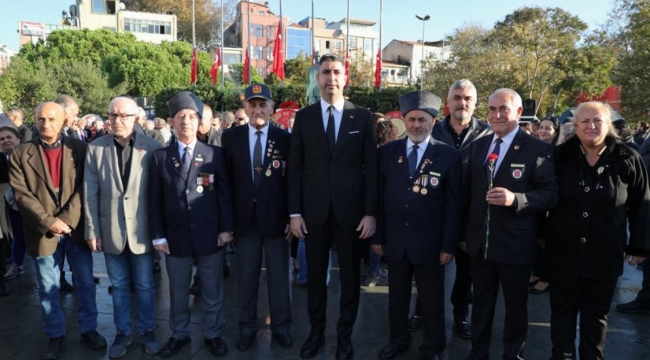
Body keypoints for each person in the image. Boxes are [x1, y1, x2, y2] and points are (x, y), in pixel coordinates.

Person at [289, 53, 378, 360]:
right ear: (318, 78)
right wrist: (295, 213)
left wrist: (370, 212)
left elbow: (371, 169)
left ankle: (344, 336)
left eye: (337, 72)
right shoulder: (304, 117)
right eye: (325, 72)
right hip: (312, 214)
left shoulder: (362, 116)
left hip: (351, 215)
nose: (331, 78)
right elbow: (295, 169)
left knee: (350, 278)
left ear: (345, 77)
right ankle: (315, 333)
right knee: (315, 278)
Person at [545, 101, 650, 360]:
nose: (591, 126)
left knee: (595, 317)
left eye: (597, 121)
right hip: (563, 252)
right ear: (575, 127)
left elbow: (642, 205)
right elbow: (544, 199)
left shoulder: (628, 158)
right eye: (585, 121)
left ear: (608, 125)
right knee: (561, 314)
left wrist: (639, 247)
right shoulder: (559, 157)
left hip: (605, 253)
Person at [464, 88, 558, 360]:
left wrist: (515, 199)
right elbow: (468, 194)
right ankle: (478, 352)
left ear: (518, 112)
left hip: (516, 244)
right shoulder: (479, 146)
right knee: (481, 304)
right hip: (481, 244)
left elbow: (550, 194)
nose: (496, 115)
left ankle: (512, 354)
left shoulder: (538, 149)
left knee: (516, 307)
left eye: (503, 109)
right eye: (492, 109)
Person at [9, 102, 107, 360]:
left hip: (74, 229)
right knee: (48, 287)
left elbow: (86, 188)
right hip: (42, 231)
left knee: (85, 282)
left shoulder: (81, 149)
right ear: (34, 120)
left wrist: (65, 220)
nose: (46, 124)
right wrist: (49, 222)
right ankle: (55, 334)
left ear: (64, 121)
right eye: (41, 119)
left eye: (52, 119)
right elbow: (22, 196)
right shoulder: (21, 153)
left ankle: (89, 329)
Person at [373, 91, 462, 360]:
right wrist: (378, 237)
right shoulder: (387, 153)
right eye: (411, 119)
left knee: (432, 300)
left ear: (433, 122)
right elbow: (378, 197)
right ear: (403, 120)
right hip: (396, 241)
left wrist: (449, 245)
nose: (416, 125)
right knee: (397, 299)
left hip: (431, 244)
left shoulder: (448, 155)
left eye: (422, 120)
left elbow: (454, 205)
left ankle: (433, 347)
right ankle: (398, 341)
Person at [149, 91, 234, 358]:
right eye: (180, 116)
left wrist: (226, 228)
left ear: (200, 123)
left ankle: (213, 333)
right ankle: (179, 333)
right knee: (178, 289)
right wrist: (158, 236)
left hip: (210, 233)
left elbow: (224, 194)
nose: (186, 121)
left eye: (191, 117)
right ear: (172, 122)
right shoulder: (160, 157)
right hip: (175, 236)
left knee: (212, 288)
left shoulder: (214, 154)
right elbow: (154, 200)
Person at [83, 97, 163, 358]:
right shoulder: (95, 148)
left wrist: (159, 232)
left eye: (124, 115)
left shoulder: (152, 147)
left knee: (145, 285)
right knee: (118, 287)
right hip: (110, 231)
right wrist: (92, 231)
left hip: (143, 232)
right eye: (113, 115)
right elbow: (90, 193)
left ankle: (148, 330)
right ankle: (122, 332)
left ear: (136, 118)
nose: (117, 120)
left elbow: (159, 194)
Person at [221, 84, 293, 351]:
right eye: (252, 104)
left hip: (277, 222)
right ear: (245, 108)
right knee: (247, 280)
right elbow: (225, 184)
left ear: (272, 108)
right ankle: (247, 327)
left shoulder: (285, 138)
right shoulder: (231, 138)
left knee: (279, 280)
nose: (257, 109)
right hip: (244, 222)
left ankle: (282, 327)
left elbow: (292, 182)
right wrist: (227, 224)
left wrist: (291, 216)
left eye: (263, 104)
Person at [424, 79, 491, 339]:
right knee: (427, 266)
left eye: (467, 98)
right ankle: (421, 310)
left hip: (470, 215)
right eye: (457, 97)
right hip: (433, 213)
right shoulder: (432, 130)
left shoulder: (487, 133)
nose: (462, 102)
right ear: (448, 101)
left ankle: (461, 315)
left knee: (466, 272)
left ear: (475, 103)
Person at [529, 116, 561, 295]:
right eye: (541, 127)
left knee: (548, 242)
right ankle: (537, 273)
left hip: (552, 205)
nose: (543, 131)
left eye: (548, 128)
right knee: (537, 240)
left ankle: (547, 278)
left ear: (556, 131)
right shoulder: (535, 148)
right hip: (537, 203)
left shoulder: (559, 152)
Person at [2, 123, 27, 282]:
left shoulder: (30, 155)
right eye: (1, 139)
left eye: (9, 137)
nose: (6, 141)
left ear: (18, 138)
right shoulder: (2, 158)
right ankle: (17, 265)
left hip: (34, 206)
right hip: (13, 206)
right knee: (18, 237)